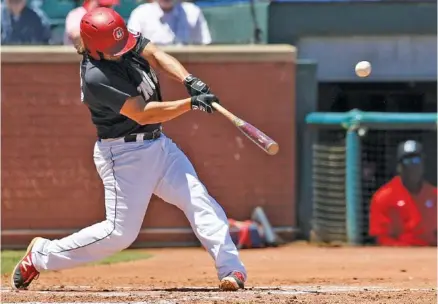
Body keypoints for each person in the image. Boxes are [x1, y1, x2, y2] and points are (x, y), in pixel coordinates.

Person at [11, 7, 246, 292]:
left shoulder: (120, 40)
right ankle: (41, 255)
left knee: (198, 199)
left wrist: (189, 81)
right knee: (119, 234)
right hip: (123, 156)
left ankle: (231, 269)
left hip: (159, 147)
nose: (123, 50)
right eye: (114, 48)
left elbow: (157, 55)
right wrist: (190, 104)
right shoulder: (96, 77)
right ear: (94, 49)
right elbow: (144, 113)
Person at [369, 140, 437, 246]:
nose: (412, 166)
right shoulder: (384, 197)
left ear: (423, 165)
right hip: (400, 256)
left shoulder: (434, 195)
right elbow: (381, 237)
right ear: (399, 167)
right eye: (407, 161)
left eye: (416, 160)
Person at [127, 0, 211, 46]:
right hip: (151, 68)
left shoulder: (193, 11)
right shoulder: (140, 13)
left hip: (186, 68)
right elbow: (131, 46)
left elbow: (204, 45)